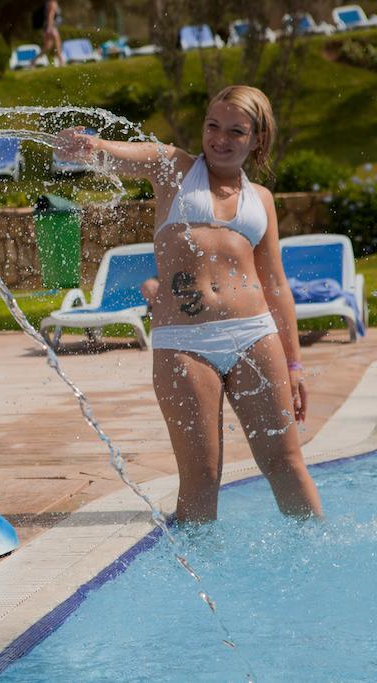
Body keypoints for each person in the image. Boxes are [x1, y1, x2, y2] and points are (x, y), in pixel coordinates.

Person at [56, 86, 323, 523]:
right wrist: (90, 147)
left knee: (287, 464)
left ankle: (320, 560)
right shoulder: (175, 169)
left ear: (257, 138)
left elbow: (275, 285)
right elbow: (126, 155)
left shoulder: (263, 200)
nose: (220, 138)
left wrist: (294, 365)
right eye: (212, 126)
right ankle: (201, 578)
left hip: (255, 335)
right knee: (201, 475)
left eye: (236, 131)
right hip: (185, 342)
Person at [33, 0, 64, 66]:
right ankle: (61, 61)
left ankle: (33, 61)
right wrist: (49, 28)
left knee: (47, 46)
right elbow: (50, 15)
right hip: (51, 26)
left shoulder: (48, 2)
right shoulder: (52, 2)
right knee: (57, 43)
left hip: (48, 26)